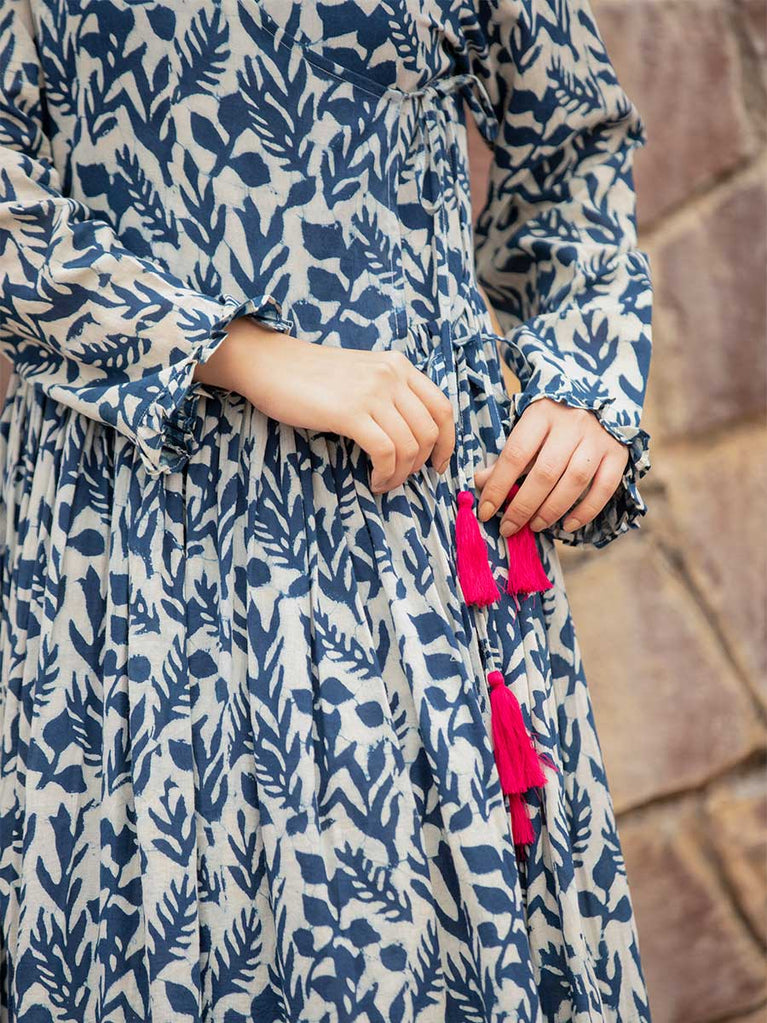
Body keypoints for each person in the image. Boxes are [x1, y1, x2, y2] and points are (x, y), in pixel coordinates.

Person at [0, 1, 654, 1020]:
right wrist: (233, 350)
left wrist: (586, 381)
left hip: (418, 534)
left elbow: (575, 148)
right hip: (134, 538)